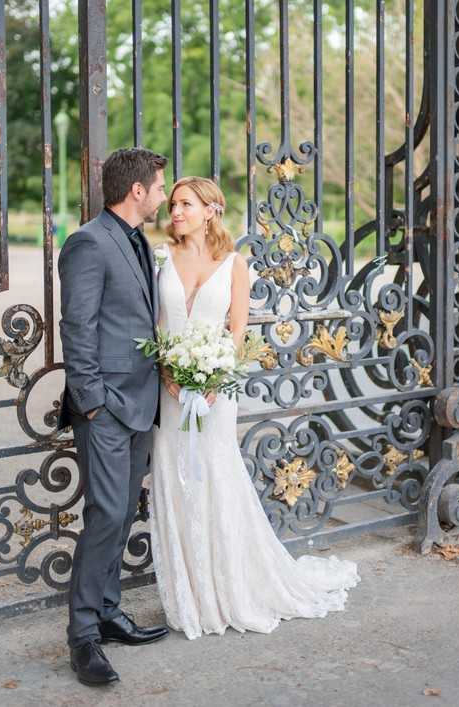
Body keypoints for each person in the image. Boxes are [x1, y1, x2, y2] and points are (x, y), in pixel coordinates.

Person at [149, 176, 359, 640]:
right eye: (174, 204)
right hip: (170, 391)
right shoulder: (162, 258)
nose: (176, 211)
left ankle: (231, 586)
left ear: (211, 209)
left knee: (215, 474)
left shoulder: (234, 264)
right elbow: (158, 325)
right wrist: (167, 372)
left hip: (214, 391)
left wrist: (213, 378)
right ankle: (191, 593)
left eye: (185, 204)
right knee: (176, 476)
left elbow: (237, 330)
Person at [58, 147, 170, 686]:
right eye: (160, 186)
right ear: (137, 191)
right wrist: (93, 401)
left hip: (140, 402)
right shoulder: (87, 242)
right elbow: (77, 328)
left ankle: (106, 610)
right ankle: (82, 638)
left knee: (124, 512)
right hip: (105, 407)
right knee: (105, 513)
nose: (164, 195)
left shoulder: (137, 240)